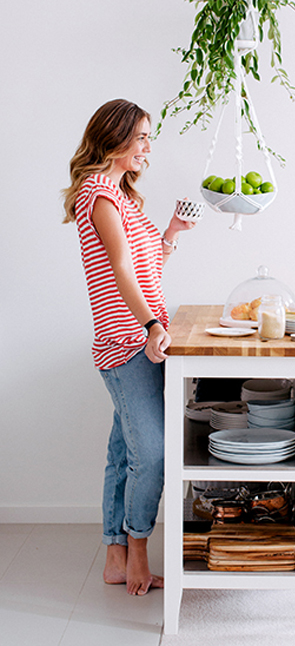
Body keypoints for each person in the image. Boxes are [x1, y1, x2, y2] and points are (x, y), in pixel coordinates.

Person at [62, 99, 196, 595]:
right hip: (126, 344)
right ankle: (136, 549)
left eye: (148, 138)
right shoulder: (98, 195)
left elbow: (144, 269)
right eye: (140, 137)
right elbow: (120, 273)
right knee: (153, 455)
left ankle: (115, 556)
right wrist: (150, 328)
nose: (146, 148)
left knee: (125, 452)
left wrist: (171, 235)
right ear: (114, 138)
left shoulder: (123, 199)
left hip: (142, 337)